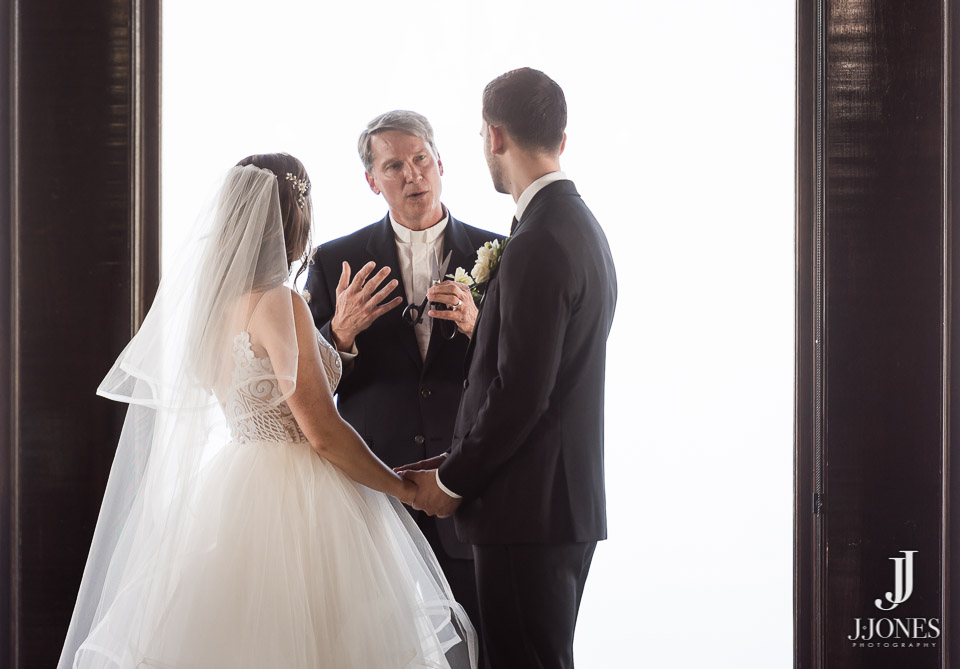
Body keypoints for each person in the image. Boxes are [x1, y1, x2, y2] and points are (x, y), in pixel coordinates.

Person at [57, 153, 476, 669]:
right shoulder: (280, 301)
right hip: (303, 498)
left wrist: (337, 339)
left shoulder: (212, 308)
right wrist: (402, 488)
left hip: (239, 487)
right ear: (292, 216)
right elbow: (321, 431)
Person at [400, 68, 618, 669]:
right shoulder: (577, 227)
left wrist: (451, 482)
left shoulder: (541, 239)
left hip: (527, 514)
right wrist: (452, 461)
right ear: (560, 138)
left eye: (480, 135)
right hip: (553, 507)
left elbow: (521, 393)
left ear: (495, 136)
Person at [303, 110, 502, 665]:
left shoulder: (499, 252)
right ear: (373, 181)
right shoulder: (334, 260)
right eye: (394, 166)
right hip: (372, 490)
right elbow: (302, 384)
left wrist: (479, 327)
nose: (413, 175)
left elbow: (520, 372)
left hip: (463, 486)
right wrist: (339, 334)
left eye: (421, 160)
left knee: (477, 648)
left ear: (440, 163)